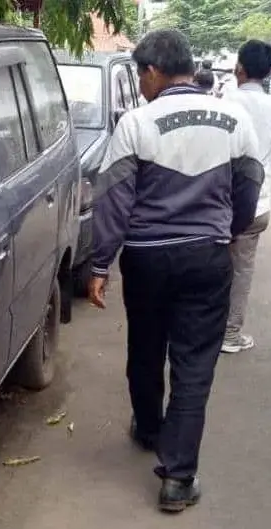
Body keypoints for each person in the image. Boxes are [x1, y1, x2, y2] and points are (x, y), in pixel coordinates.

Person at [88, 29, 263, 513]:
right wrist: (229, 228)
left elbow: (114, 199)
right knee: (193, 365)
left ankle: (148, 429)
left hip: (146, 258)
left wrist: (100, 263)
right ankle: (178, 478)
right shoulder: (234, 118)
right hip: (206, 256)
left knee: (145, 345)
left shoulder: (137, 123)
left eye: (140, 76)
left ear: (151, 72)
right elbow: (250, 183)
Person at [220, 40, 271, 353]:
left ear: (239, 67)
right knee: (241, 270)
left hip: (217, 199)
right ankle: (229, 334)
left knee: (208, 264)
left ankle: (199, 328)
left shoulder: (225, 100)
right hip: (258, 202)